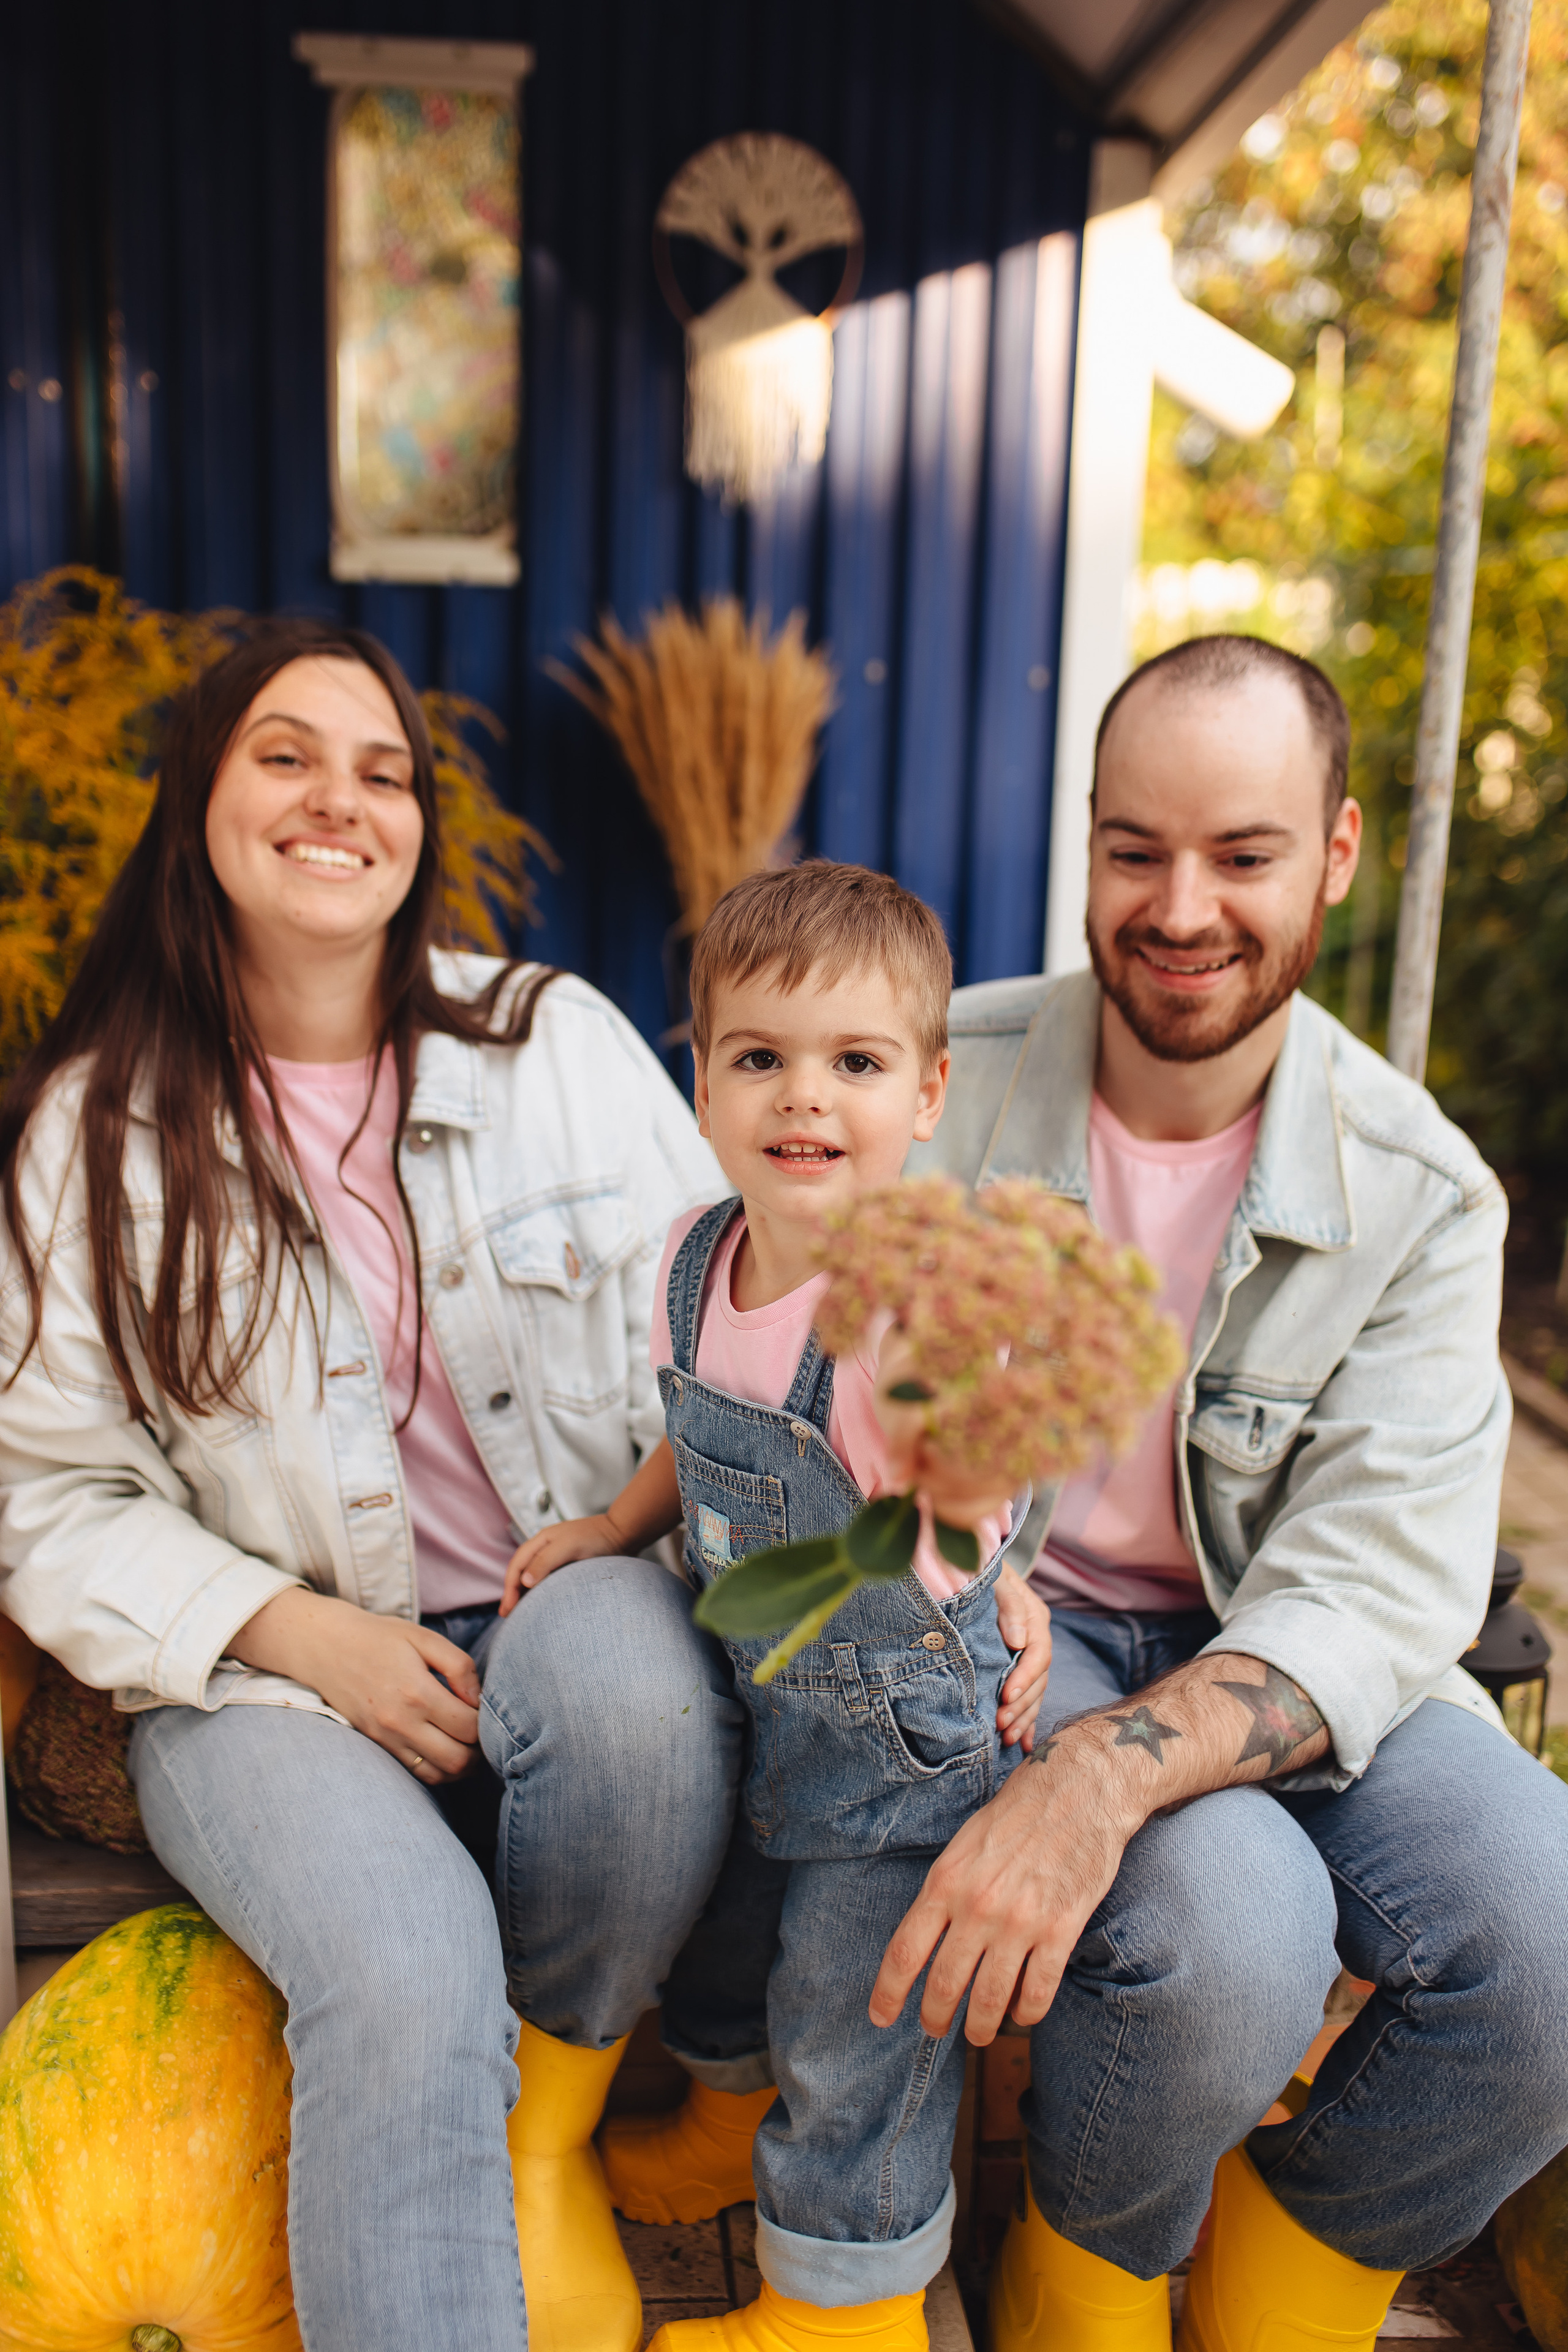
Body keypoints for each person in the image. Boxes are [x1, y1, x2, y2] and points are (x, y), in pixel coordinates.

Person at [0, 617, 741, 2352]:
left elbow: (725, 1332)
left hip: (569, 1606)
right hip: (256, 1681)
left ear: (418, 829)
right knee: (403, 1976)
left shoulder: (550, 1044)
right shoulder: (90, 1135)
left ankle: (539, 2137)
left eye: (384, 770)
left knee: (637, 1701)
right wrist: (294, 1633)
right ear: (198, 803)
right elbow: (44, 1498)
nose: (342, 798)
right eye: (286, 755)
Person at [864, 634, 1568, 2352]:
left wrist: (1103, 1782)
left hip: (1279, 1632)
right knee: (1235, 1932)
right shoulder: (927, 1081)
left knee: (1552, 1947)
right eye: (1136, 851)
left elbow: (1376, 1598)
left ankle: (1281, 2286)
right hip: (1011, 1622)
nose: (1182, 908)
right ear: (1088, 841)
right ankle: (1080, 2285)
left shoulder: (1420, 1195)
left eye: (1243, 855)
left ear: (1333, 853)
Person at [506, 861, 1054, 2352]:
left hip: (898, 1737)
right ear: (704, 1082)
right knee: (740, 1938)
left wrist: (1013, 1596)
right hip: (768, 1693)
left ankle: (844, 2304)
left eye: (855, 1064)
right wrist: (614, 1525)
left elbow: (982, 1488)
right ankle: (715, 2130)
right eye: (761, 1058)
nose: (803, 1099)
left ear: (927, 1092)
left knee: (856, 2009)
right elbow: (688, 1434)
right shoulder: (698, 1256)